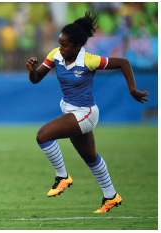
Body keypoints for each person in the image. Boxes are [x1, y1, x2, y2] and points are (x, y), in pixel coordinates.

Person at [26, 10, 149, 213]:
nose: (60, 48)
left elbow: (123, 63)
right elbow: (36, 79)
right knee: (90, 157)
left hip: (85, 113)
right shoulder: (55, 55)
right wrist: (32, 69)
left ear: (77, 46)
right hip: (70, 111)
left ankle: (63, 176)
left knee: (43, 136)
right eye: (60, 43)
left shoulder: (89, 60)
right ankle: (111, 196)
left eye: (65, 45)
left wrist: (132, 89)